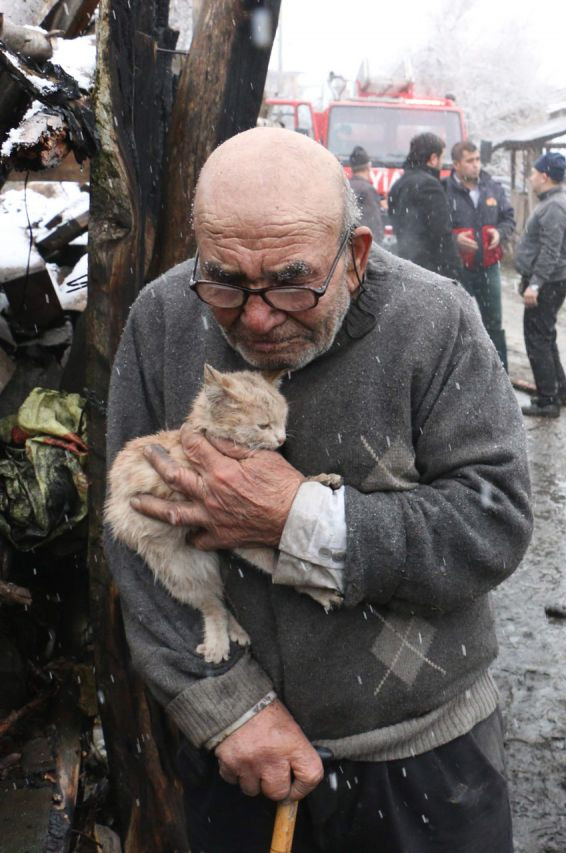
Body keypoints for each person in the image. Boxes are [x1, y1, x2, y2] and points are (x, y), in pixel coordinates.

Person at [104, 126, 531, 851]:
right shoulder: (164, 317)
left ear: (355, 254)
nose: (259, 316)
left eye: (293, 282)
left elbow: (493, 523)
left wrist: (298, 518)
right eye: (226, 282)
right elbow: (132, 540)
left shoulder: (436, 322)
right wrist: (227, 709)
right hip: (239, 764)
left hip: (423, 758)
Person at [446, 139, 516, 369]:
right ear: (456, 164)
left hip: (489, 268)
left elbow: (508, 218)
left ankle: (500, 373)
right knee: (457, 324)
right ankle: (462, 374)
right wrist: (455, 239)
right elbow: (436, 228)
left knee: (494, 323)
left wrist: (500, 232)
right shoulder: (445, 190)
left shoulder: (492, 187)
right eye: (469, 161)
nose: (475, 165)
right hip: (459, 269)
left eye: (477, 160)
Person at [514, 152, 566, 417]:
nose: (531, 177)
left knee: (537, 340)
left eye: (534, 173)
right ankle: (559, 388)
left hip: (547, 283)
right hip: (548, 282)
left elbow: (551, 251)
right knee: (545, 336)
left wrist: (535, 284)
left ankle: (549, 400)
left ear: (545, 176)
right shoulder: (552, 202)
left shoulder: (554, 207)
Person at [387, 132, 463, 279]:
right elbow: (441, 233)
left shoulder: (398, 185)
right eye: (441, 158)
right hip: (431, 270)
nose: (442, 164)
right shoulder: (431, 186)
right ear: (433, 159)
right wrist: (455, 270)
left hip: (406, 266)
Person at [347, 145, 385, 245]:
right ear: (368, 167)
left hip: (348, 243)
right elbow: (374, 224)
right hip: (363, 245)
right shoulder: (368, 190)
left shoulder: (345, 186)